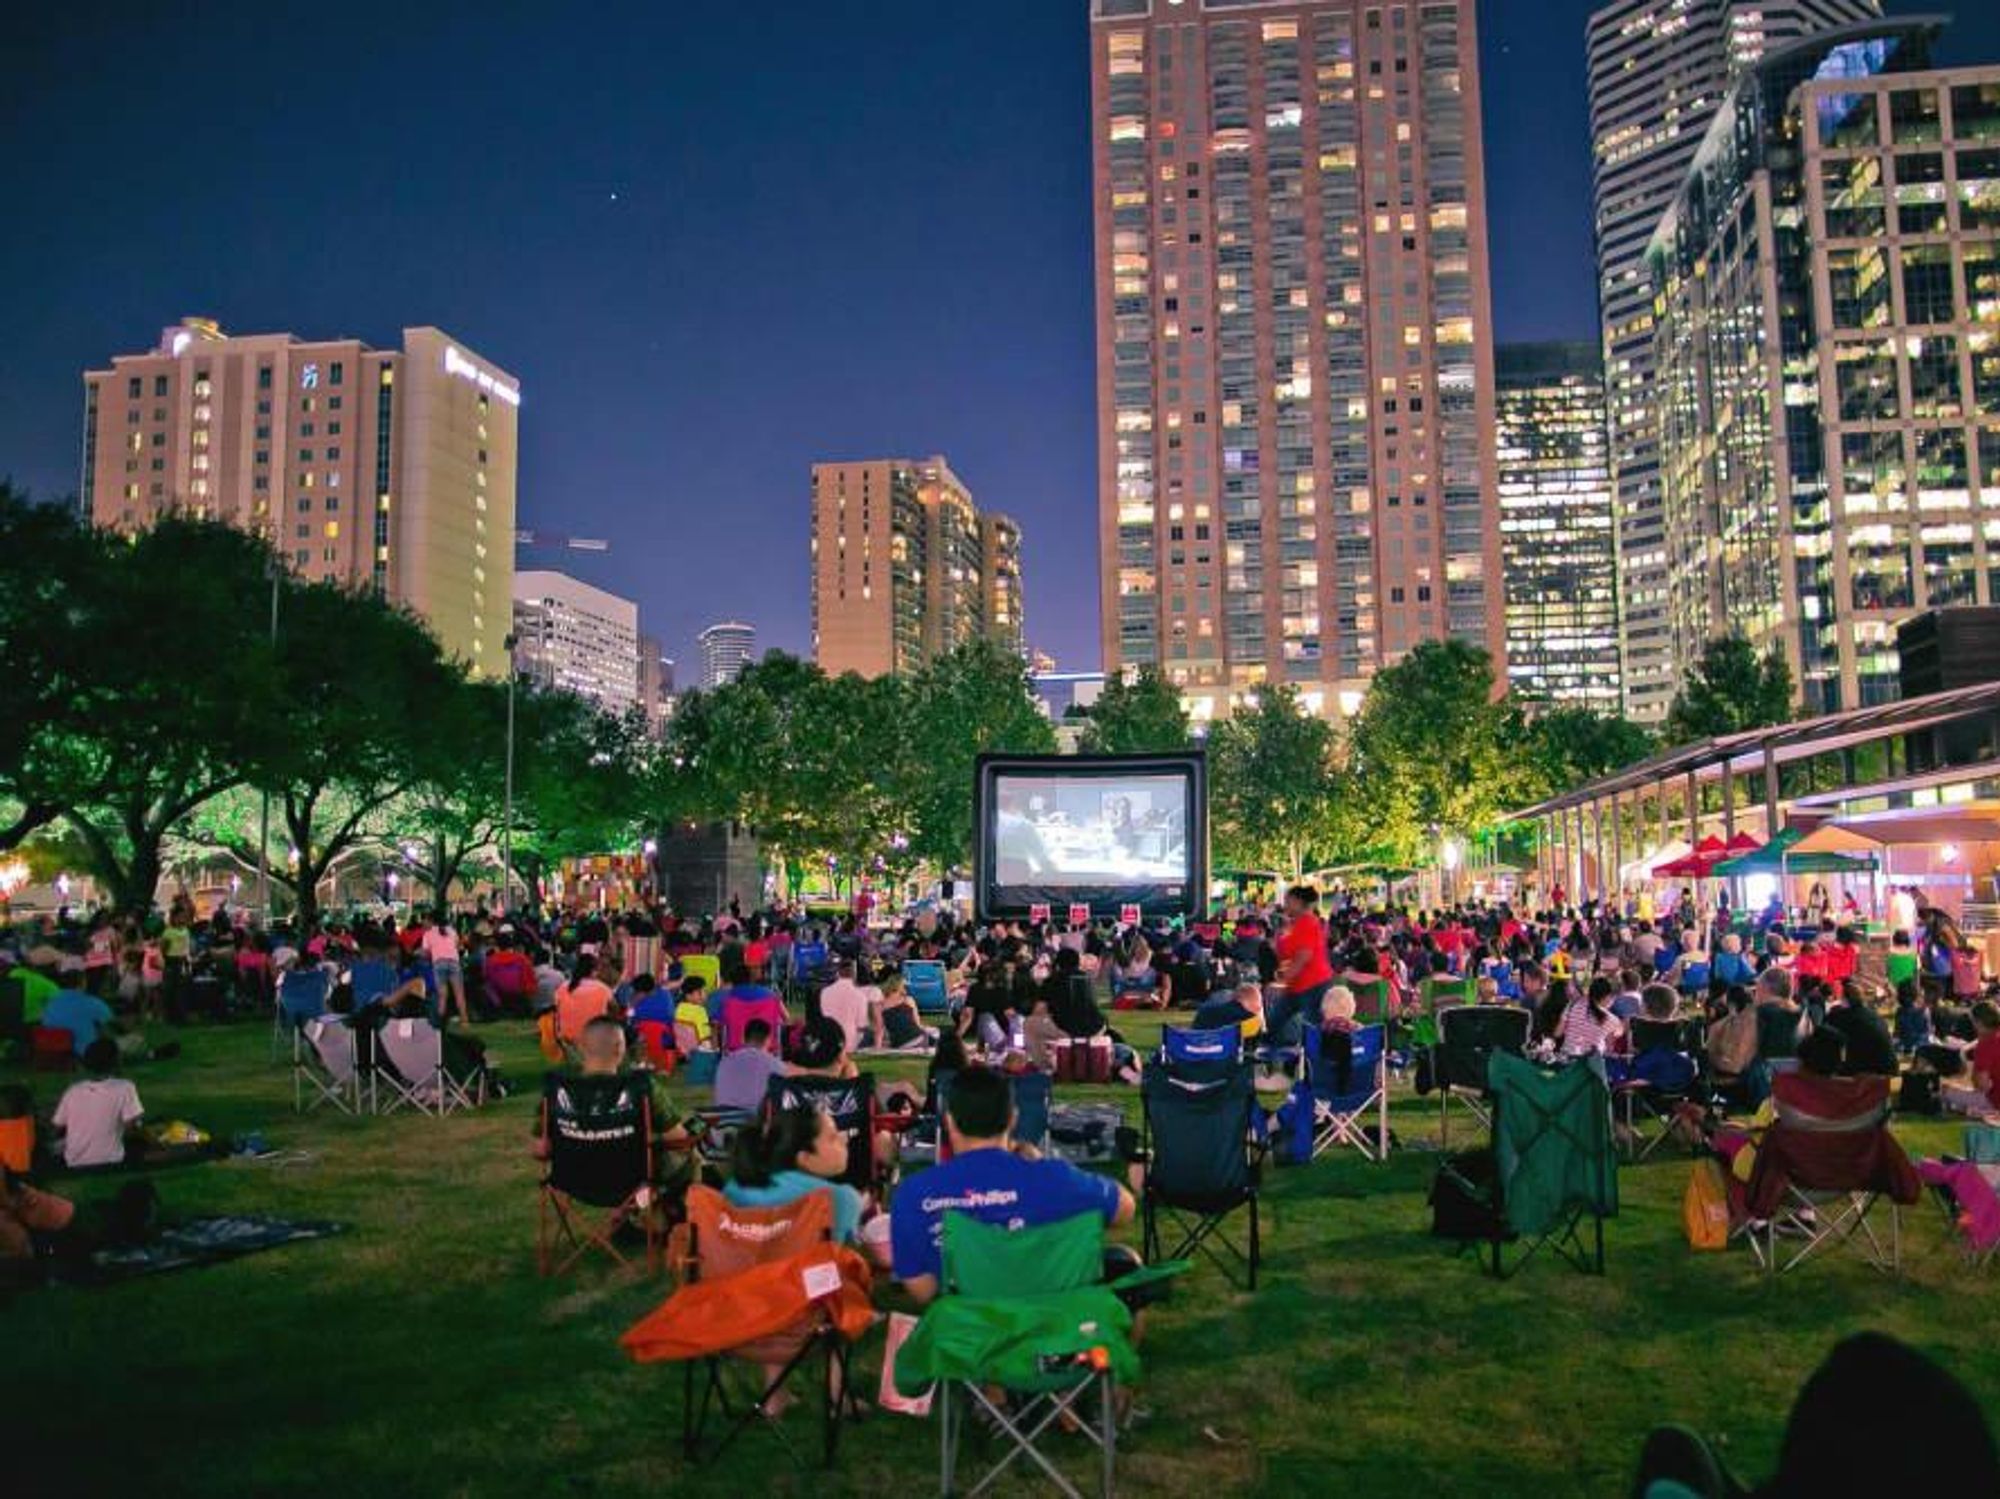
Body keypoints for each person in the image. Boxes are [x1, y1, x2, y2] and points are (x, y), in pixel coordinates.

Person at [891, 1066, 1135, 1306]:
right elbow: (1125, 1208)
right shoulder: (1053, 1178)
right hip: (1054, 1329)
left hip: (968, 1334)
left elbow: (922, 1291)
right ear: (1013, 1118)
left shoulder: (914, 1194)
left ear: (949, 1121)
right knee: (1125, 1260)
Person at [51, 1039, 145, 1169]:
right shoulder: (125, 1087)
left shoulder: (73, 1091)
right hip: (111, 1160)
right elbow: (132, 1129)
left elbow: (57, 1126)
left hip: (74, 1162)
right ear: (115, 1062)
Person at [1268, 885, 1334, 1045]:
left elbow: (1302, 957)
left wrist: (1281, 981)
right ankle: (1281, 1061)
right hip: (1296, 987)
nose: (1284, 905)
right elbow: (1285, 957)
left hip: (1313, 986)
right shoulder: (1293, 925)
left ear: (1298, 902)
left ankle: (1311, 1065)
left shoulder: (1308, 923)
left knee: (1313, 1031)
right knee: (1274, 1023)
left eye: (1287, 901)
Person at [1820, 980, 1896, 1077]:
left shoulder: (1844, 1015)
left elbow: (1825, 1029)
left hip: (1872, 1069)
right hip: (1889, 1066)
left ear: (1845, 999)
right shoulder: (1873, 1015)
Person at [713, 1017, 787, 1112]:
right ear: (768, 1040)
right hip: (755, 1120)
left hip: (723, 1117)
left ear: (742, 1038)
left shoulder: (725, 1062)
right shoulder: (775, 1064)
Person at [1942, 1001, 2000, 1118]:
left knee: (1944, 1090)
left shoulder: (1985, 1045)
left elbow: (1981, 1085)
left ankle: (1977, 1110)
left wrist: (1974, 1074)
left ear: (1978, 1023)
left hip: (1994, 1101)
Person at [553, 954, 619, 1045]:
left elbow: (556, 1009)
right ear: (594, 970)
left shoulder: (563, 987)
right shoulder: (602, 988)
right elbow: (615, 1009)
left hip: (567, 1037)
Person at [816, 958, 876, 1054]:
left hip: (829, 1039)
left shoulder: (824, 992)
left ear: (838, 973)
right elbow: (862, 1024)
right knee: (873, 1033)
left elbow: (823, 1016)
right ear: (854, 975)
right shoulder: (860, 996)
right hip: (850, 1042)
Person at [422, 912, 470, 1027]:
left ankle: (439, 1021)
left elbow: (425, 953)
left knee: (442, 995)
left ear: (431, 921)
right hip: (454, 962)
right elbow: (458, 946)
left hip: (438, 964)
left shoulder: (428, 934)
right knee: (459, 993)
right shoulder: (451, 931)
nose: (423, 923)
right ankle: (465, 1021)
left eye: (425, 920)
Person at [1557, 977, 1622, 1058]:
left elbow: (1558, 1033)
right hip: (1592, 1066)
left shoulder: (1572, 1005)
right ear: (1608, 997)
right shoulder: (1613, 1020)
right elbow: (1609, 1049)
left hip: (1567, 1060)